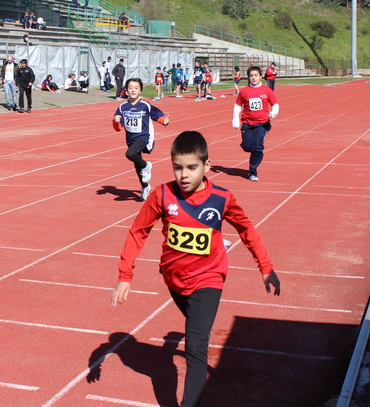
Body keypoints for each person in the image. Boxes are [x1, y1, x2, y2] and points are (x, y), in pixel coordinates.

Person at [110, 130, 281, 407]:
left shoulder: (222, 198)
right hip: (173, 278)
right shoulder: (162, 194)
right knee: (194, 327)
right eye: (177, 168)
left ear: (207, 166)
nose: (184, 175)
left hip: (209, 277)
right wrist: (124, 275)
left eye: (192, 168)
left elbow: (246, 230)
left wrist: (265, 266)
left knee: (196, 346)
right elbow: (137, 232)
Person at [112, 78, 170, 201]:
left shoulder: (145, 105)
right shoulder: (122, 107)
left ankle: (146, 165)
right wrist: (115, 121)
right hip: (130, 138)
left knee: (130, 154)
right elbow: (118, 128)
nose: (133, 90)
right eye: (130, 88)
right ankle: (145, 186)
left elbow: (157, 115)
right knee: (137, 164)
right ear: (126, 91)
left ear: (141, 90)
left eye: (136, 88)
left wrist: (163, 120)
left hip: (144, 137)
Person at [233, 66, 279, 182]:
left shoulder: (267, 90)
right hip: (247, 123)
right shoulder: (244, 91)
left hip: (262, 124)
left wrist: (272, 114)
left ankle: (253, 171)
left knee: (257, 147)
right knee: (247, 147)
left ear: (260, 77)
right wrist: (236, 120)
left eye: (255, 75)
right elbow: (237, 105)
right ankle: (251, 150)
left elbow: (275, 104)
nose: (253, 78)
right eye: (251, 75)